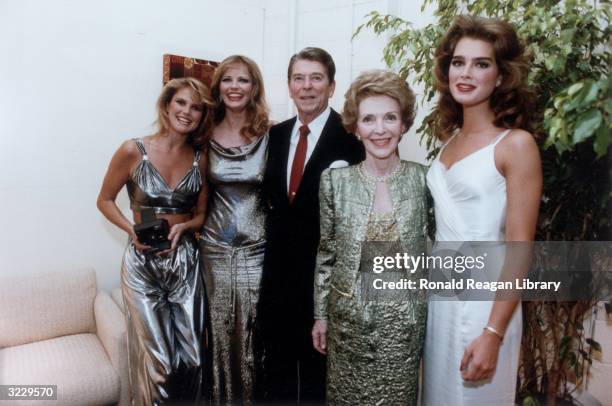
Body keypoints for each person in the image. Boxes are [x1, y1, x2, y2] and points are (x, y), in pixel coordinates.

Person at [423, 15, 542, 405]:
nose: (466, 72)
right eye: (458, 62)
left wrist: (493, 334)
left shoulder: (516, 145)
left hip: (485, 305)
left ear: (502, 75)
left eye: (481, 63)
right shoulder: (448, 143)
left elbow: (520, 247)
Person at [311, 69, 429, 405]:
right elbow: (327, 254)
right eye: (369, 119)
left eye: (390, 117)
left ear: (403, 124)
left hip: (404, 328)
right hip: (348, 325)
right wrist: (321, 315)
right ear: (355, 127)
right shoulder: (335, 182)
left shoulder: (425, 181)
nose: (380, 129)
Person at [257, 47, 365, 403]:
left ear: (332, 86)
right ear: (289, 86)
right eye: (298, 78)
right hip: (276, 282)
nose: (307, 86)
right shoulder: (274, 137)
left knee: (321, 381)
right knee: (279, 377)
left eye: (316, 78)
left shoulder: (353, 140)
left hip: (323, 285)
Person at [97, 77, 211, 405]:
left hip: (185, 262)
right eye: (181, 103)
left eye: (196, 107)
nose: (187, 112)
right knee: (160, 363)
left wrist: (186, 226)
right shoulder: (133, 150)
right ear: (166, 105)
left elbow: (202, 214)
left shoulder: (199, 158)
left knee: (192, 359)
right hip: (142, 264)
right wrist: (130, 230)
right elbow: (104, 199)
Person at [199, 55, 269, 405]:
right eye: (228, 80)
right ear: (219, 87)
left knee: (254, 336)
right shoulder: (203, 133)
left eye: (243, 80)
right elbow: (195, 194)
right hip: (214, 249)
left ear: (254, 87)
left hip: (259, 248)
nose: (235, 87)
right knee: (221, 334)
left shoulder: (271, 134)